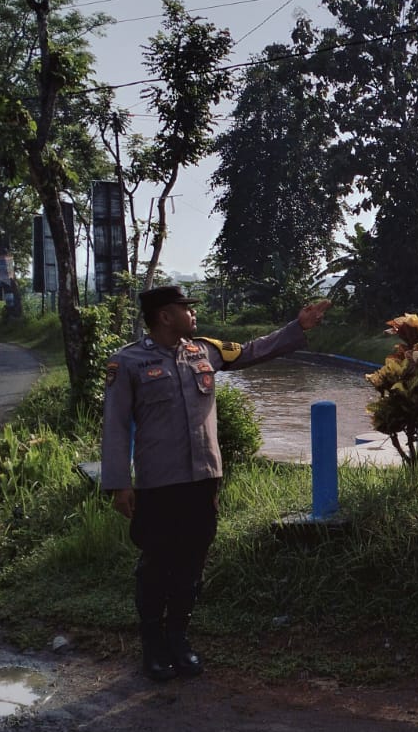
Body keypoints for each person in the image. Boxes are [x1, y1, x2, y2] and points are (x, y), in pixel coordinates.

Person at [101, 285, 332, 682]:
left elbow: (252, 351)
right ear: (164, 316)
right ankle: (152, 646)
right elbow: (117, 427)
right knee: (157, 565)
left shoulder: (203, 351)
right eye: (184, 309)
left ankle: (178, 639)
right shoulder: (127, 363)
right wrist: (120, 483)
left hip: (203, 479)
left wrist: (299, 326)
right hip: (158, 484)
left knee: (192, 561)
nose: (193, 314)